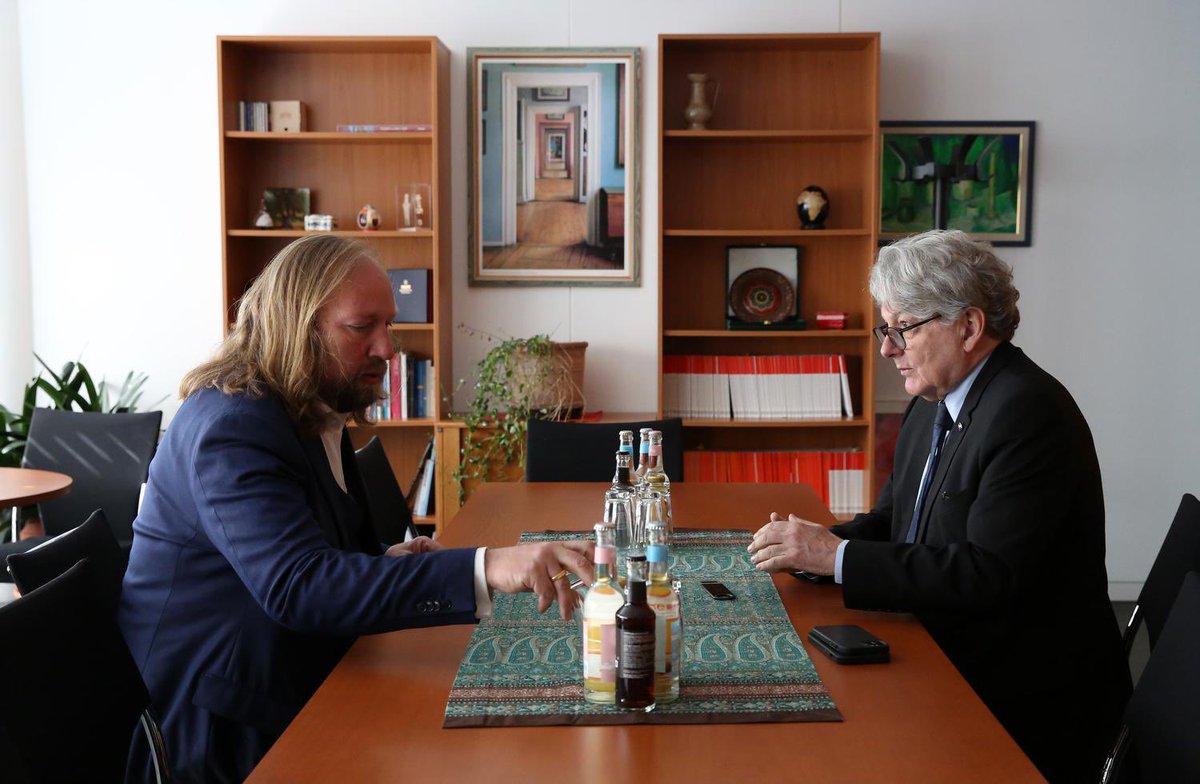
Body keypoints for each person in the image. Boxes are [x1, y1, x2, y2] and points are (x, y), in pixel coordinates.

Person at [118, 235, 594, 783]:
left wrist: (386, 558)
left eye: (388, 324)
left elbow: (308, 551)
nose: (387, 348)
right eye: (361, 326)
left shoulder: (314, 406)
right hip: (219, 726)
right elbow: (298, 586)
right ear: (298, 325)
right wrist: (486, 566)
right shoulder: (231, 427)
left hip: (291, 675)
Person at [747, 230, 1130, 783]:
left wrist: (837, 557)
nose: (887, 348)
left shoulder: (1027, 413)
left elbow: (987, 573)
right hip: (949, 647)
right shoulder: (934, 402)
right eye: (887, 328)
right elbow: (894, 522)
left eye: (903, 329)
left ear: (969, 327)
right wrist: (812, 547)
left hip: (1022, 692)